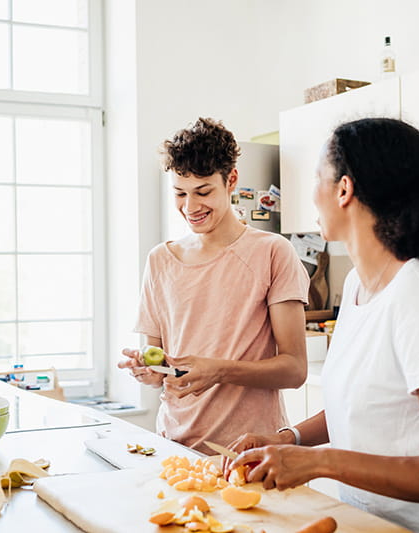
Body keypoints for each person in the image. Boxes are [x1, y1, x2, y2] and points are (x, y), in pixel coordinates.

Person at [225, 117, 419, 532]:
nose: (311, 192)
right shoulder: (359, 285)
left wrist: (319, 462)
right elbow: (359, 406)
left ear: (344, 188)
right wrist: (289, 440)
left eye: (317, 176)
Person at [118, 117, 310, 454]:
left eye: (203, 192)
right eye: (180, 193)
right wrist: (148, 371)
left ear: (231, 179)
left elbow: (294, 370)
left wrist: (218, 371)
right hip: (172, 447)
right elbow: (162, 366)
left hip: (251, 451)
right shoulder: (160, 260)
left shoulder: (272, 252)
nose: (190, 207)